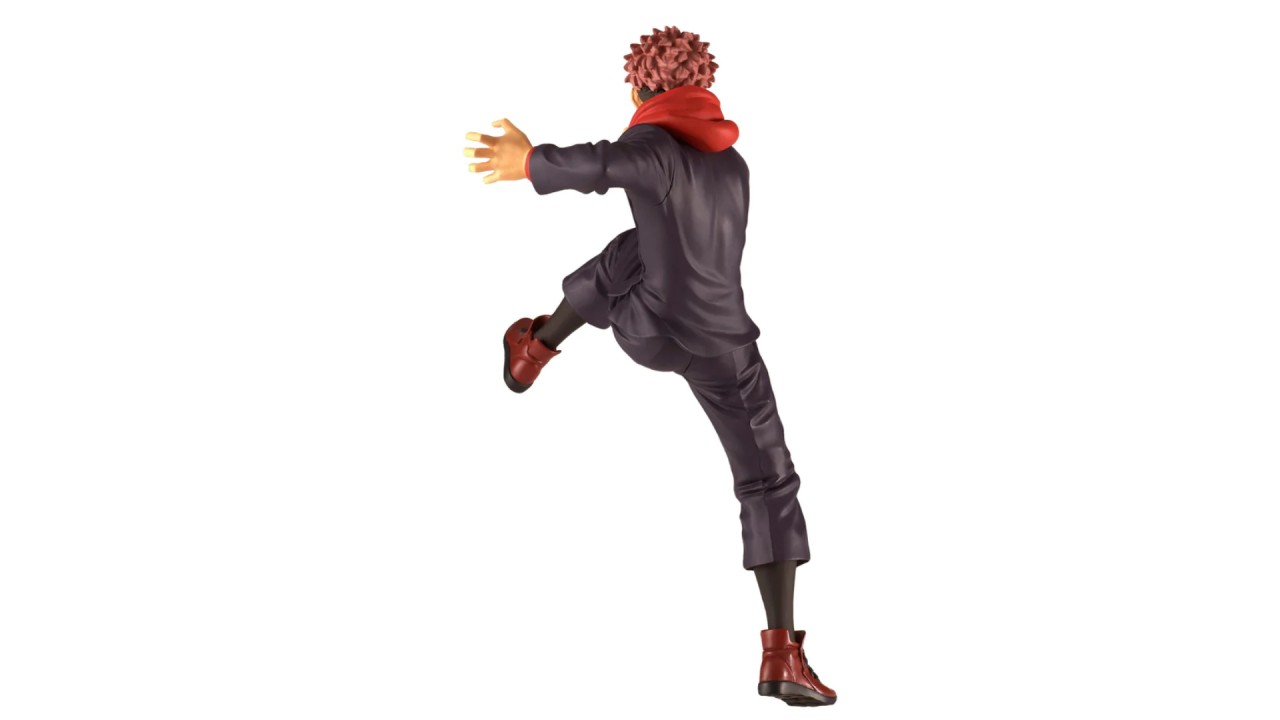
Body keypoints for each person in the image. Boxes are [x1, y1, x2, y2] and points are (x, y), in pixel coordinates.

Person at [464, 26, 836, 707]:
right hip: (728, 345)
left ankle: (535, 346)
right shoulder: (733, 163)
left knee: (625, 254)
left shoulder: (652, 149)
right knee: (769, 480)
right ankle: (781, 651)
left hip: (652, 330)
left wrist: (530, 162)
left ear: (640, 90)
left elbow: (602, 164)